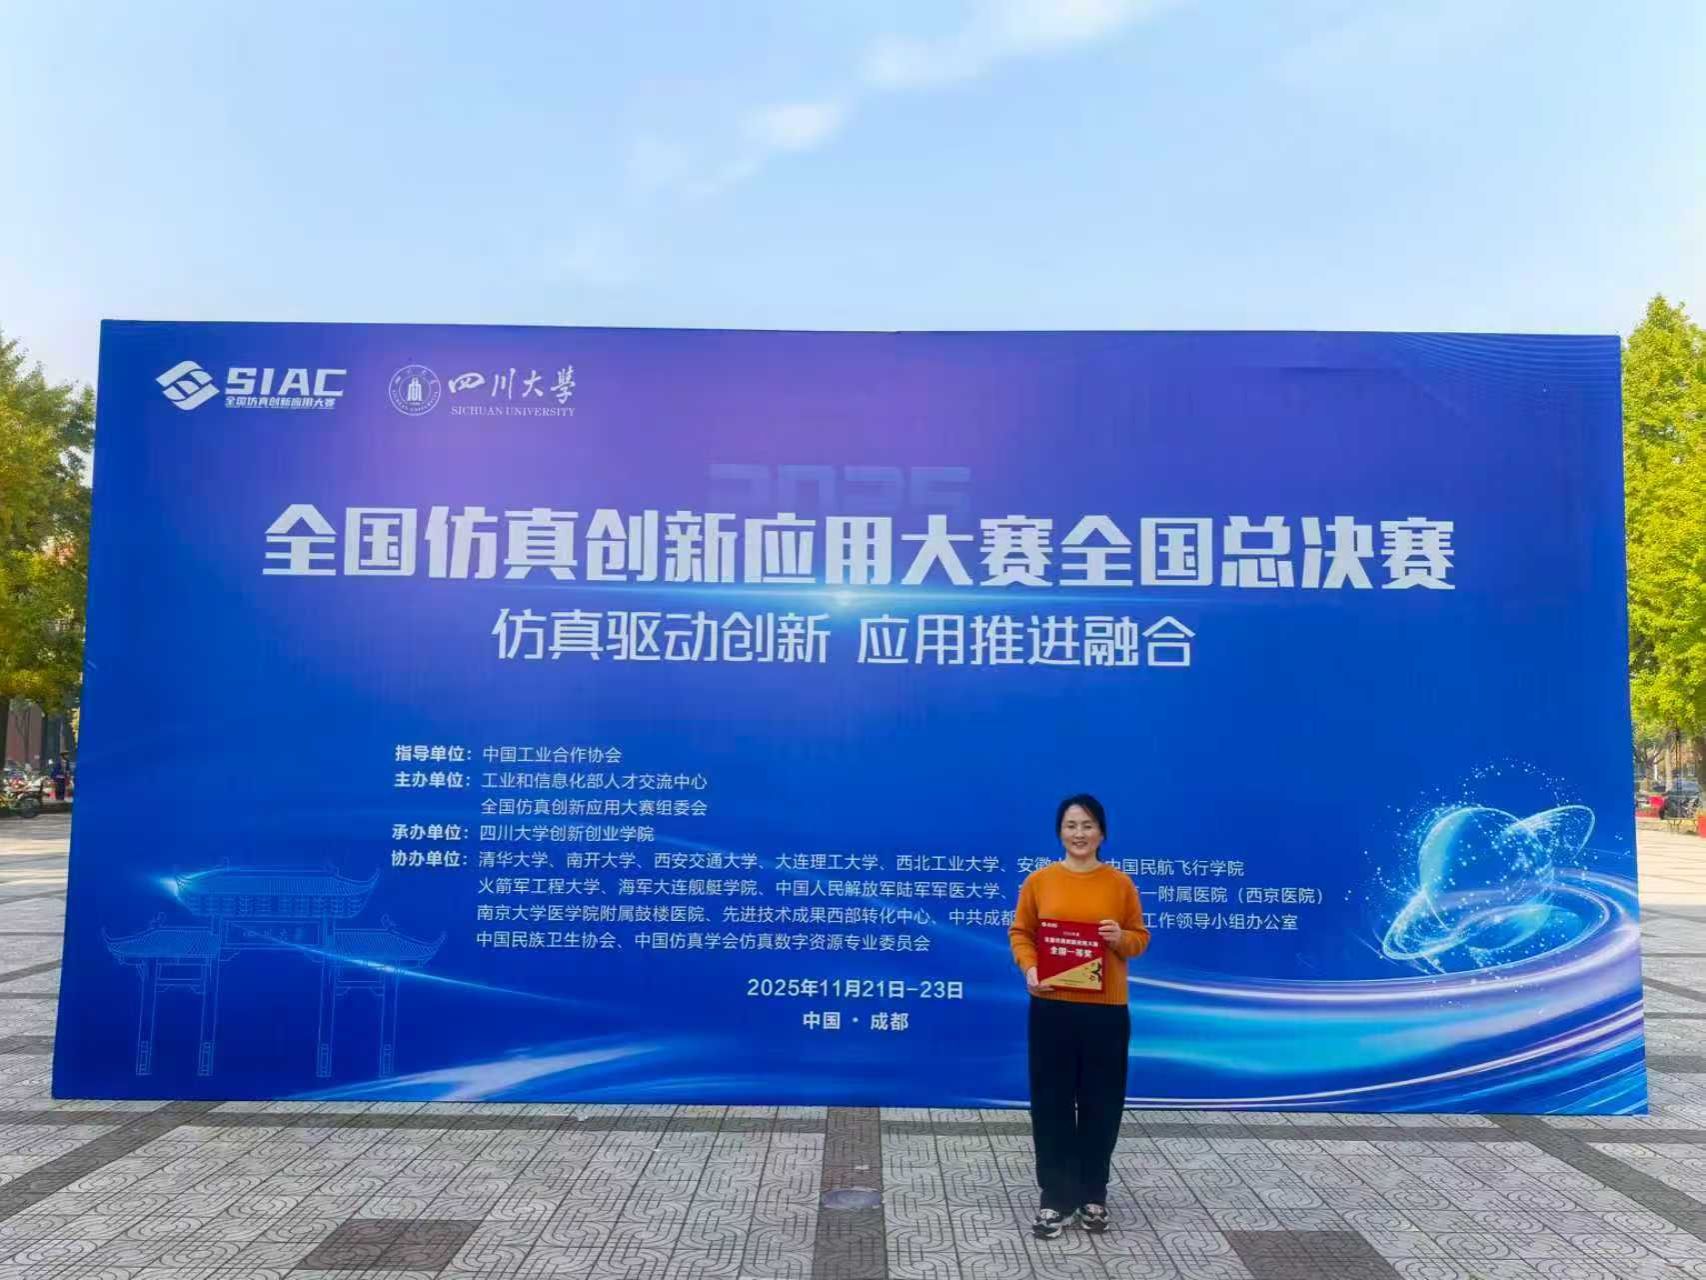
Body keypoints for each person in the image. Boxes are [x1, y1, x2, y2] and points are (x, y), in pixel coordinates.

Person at [1009, 793, 1151, 1239]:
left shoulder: (1120, 884)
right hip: (1052, 1008)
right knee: (1050, 1103)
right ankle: (1055, 1197)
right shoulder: (1040, 881)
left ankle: (1093, 1193)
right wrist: (1030, 969)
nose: (1079, 833)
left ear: (1102, 833)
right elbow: (1021, 933)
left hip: (1106, 1011)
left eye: (1088, 825)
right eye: (1071, 825)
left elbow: (1140, 938)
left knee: (1101, 1103)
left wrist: (1119, 938)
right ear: (1059, 832)